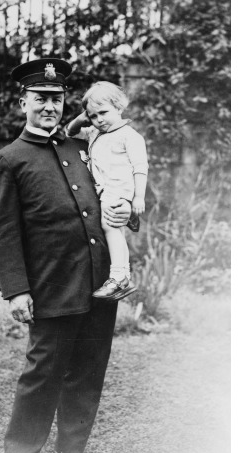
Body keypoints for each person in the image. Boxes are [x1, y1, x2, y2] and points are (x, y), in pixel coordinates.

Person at [0, 59, 133, 453]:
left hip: (99, 282)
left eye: (57, 98)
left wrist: (128, 212)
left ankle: (71, 451)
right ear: (24, 102)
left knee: (88, 368)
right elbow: (2, 232)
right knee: (44, 370)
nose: (50, 106)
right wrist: (16, 291)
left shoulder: (83, 148)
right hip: (51, 284)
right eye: (41, 99)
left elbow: (115, 198)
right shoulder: (8, 160)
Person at [66, 81, 149, 300]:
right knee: (112, 231)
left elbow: (140, 168)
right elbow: (70, 132)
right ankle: (122, 276)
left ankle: (119, 276)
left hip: (119, 190)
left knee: (110, 226)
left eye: (103, 113)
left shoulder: (129, 136)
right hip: (101, 192)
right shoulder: (94, 133)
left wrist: (138, 197)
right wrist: (82, 119)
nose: (99, 120)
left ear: (119, 108)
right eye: (93, 116)